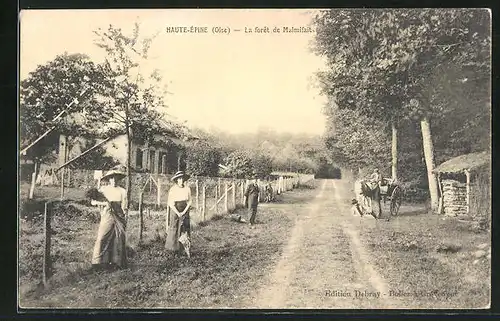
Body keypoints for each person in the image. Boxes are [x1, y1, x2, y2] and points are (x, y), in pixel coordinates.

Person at [89, 168, 128, 270]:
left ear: (119, 179)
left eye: (116, 179)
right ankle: (97, 263)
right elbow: (93, 202)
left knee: (118, 238)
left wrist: (124, 217)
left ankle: (117, 262)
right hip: (107, 215)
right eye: (112, 178)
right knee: (102, 237)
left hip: (119, 216)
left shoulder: (122, 191)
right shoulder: (104, 189)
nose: (114, 181)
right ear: (109, 179)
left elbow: (124, 207)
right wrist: (105, 203)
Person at [165, 171, 192, 257]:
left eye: (182, 178)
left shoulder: (187, 189)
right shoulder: (173, 189)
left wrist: (184, 212)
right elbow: (170, 203)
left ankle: (184, 249)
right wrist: (178, 213)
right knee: (175, 228)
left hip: (185, 210)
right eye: (179, 178)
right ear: (176, 180)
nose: (181, 180)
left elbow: (190, 201)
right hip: (175, 210)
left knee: (184, 228)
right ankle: (174, 249)